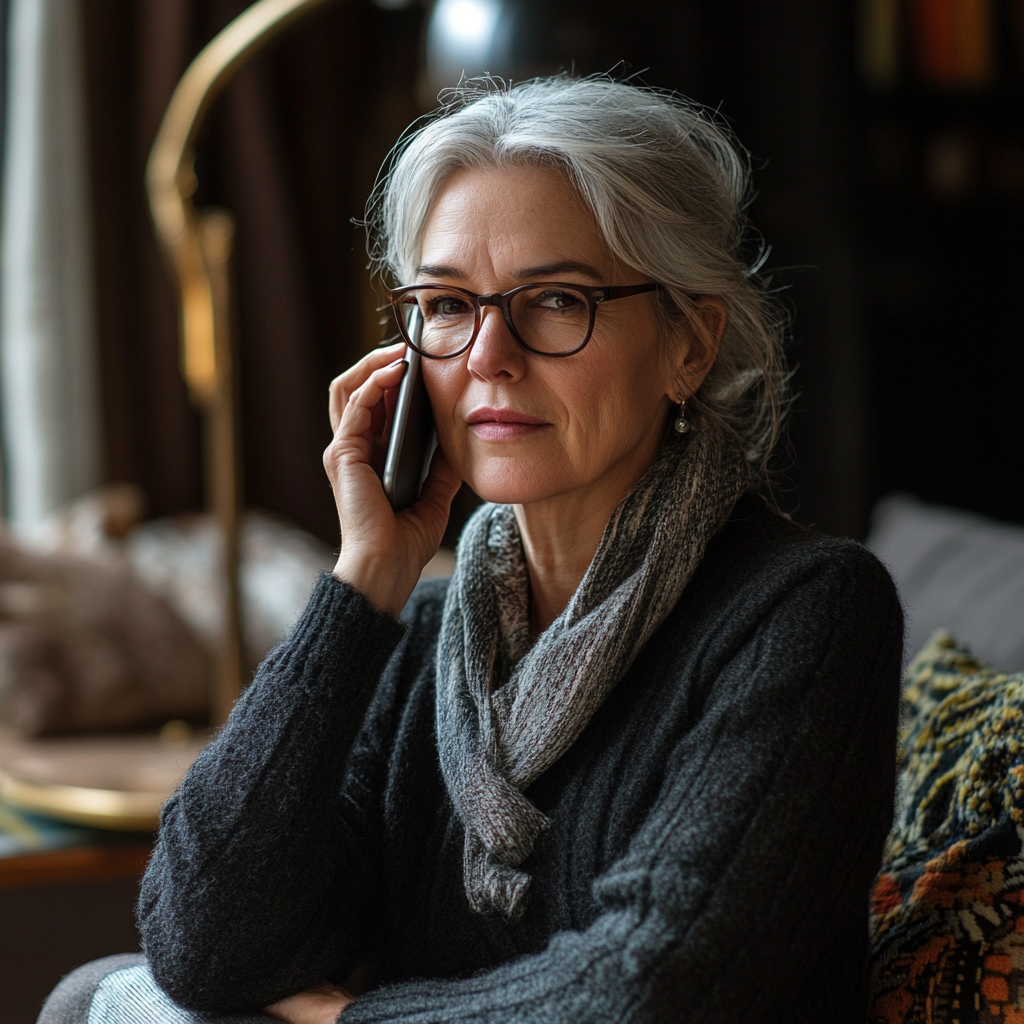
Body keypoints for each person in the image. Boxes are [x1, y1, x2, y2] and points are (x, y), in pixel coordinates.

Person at [40, 76, 903, 1024]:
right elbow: (205, 944)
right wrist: (361, 581)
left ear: (689, 347)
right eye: (447, 305)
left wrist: (349, 1022)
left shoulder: (808, 612)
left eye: (557, 299)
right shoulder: (419, 633)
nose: (489, 353)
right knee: (104, 998)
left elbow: (655, 990)